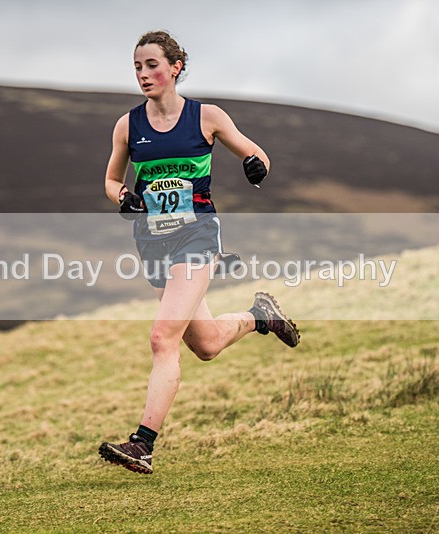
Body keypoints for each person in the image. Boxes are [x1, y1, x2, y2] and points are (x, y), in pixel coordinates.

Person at [98, 30, 300, 475]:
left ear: (175, 68)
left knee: (162, 338)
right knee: (205, 345)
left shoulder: (206, 117)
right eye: (137, 66)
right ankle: (260, 316)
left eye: (152, 65)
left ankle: (142, 444)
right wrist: (124, 198)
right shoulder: (127, 126)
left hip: (197, 236)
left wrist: (255, 165)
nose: (143, 74)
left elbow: (255, 153)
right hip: (152, 242)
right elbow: (112, 180)